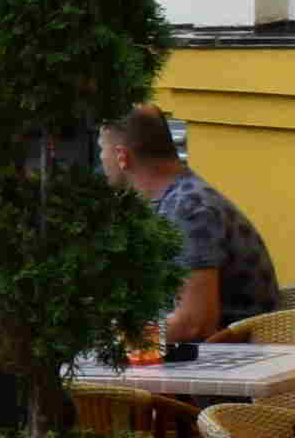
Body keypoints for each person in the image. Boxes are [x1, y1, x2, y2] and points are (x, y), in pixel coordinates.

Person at [98, 108, 282, 345]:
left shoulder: (188, 209)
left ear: (122, 157)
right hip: (205, 360)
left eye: (102, 149)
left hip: (230, 366)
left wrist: (109, 342)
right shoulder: (178, 198)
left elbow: (195, 324)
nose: (101, 158)